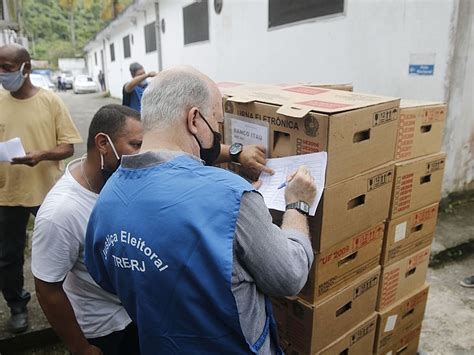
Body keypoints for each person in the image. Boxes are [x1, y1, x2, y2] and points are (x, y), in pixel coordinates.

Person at [85, 67, 316, 354]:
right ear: (194, 119)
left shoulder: (106, 197)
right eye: (217, 123)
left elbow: (106, 279)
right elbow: (290, 276)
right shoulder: (230, 194)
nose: (218, 134)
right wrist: (297, 203)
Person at [32, 105, 142, 355]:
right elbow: (47, 289)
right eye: (136, 145)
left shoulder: (119, 179)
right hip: (104, 331)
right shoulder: (61, 212)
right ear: (103, 143)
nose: (143, 154)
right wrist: (80, 347)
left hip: (136, 316)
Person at [0, 44, 82, 334]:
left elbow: (68, 146)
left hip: (48, 192)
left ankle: (75, 302)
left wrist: (41, 155)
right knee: (8, 255)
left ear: (26, 68)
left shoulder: (50, 101)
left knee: (68, 250)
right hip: (6, 193)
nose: (2, 73)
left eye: (7, 67)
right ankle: (17, 306)